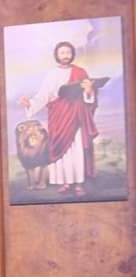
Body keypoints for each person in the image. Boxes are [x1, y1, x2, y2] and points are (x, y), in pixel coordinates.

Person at [18, 41, 100, 197]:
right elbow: (44, 95)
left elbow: (89, 94)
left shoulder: (80, 72)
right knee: (61, 149)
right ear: (57, 55)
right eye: (62, 53)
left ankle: (79, 183)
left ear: (72, 54)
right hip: (58, 115)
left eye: (68, 52)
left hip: (76, 115)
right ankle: (65, 182)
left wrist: (89, 90)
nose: (65, 55)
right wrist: (30, 104)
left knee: (76, 148)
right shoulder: (52, 74)